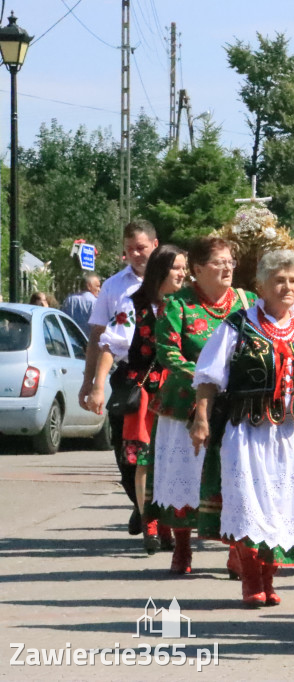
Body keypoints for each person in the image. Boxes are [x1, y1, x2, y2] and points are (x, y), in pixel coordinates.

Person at [190, 250, 294, 607]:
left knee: (282, 504)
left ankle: (269, 577)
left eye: (292, 280)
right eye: (279, 280)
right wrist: (201, 419)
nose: (287, 287)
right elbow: (208, 378)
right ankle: (251, 580)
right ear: (261, 285)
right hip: (249, 431)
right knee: (251, 503)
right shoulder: (237, 325)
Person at [151, 236, 256, 575]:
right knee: (186, 476)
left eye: (230, 262)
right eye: (218, 262)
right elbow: (168, 353)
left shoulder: (247, 302)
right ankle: (182, 549)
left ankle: (235, 551)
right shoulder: (177, 304)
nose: (227, 268)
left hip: (234, 407)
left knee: (235, 477)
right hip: (186, 405)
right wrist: (205, 379)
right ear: (197, 269)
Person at [88, 246, 187, 554]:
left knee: (177, 458)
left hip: (181, 392)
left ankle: (173, 521)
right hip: (145, 392)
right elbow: (111, 345)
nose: (184, 273)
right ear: (161, 271)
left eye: (185, 267)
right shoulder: (134, 306)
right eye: (177, 268)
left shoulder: (189, 305)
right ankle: (150, 523)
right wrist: (97, 387)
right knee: (142, 459)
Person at [79, 221, 160, 536]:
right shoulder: (114, 286)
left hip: (166, 372)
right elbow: (98, 336)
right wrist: (90, 382)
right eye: (129, 250)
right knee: (125, 453)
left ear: (155, 244)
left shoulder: (174, 281)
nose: (135, 255)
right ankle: (140, 505)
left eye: (141, 248)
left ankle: (155, 514)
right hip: (128, 374)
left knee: (161, 450)